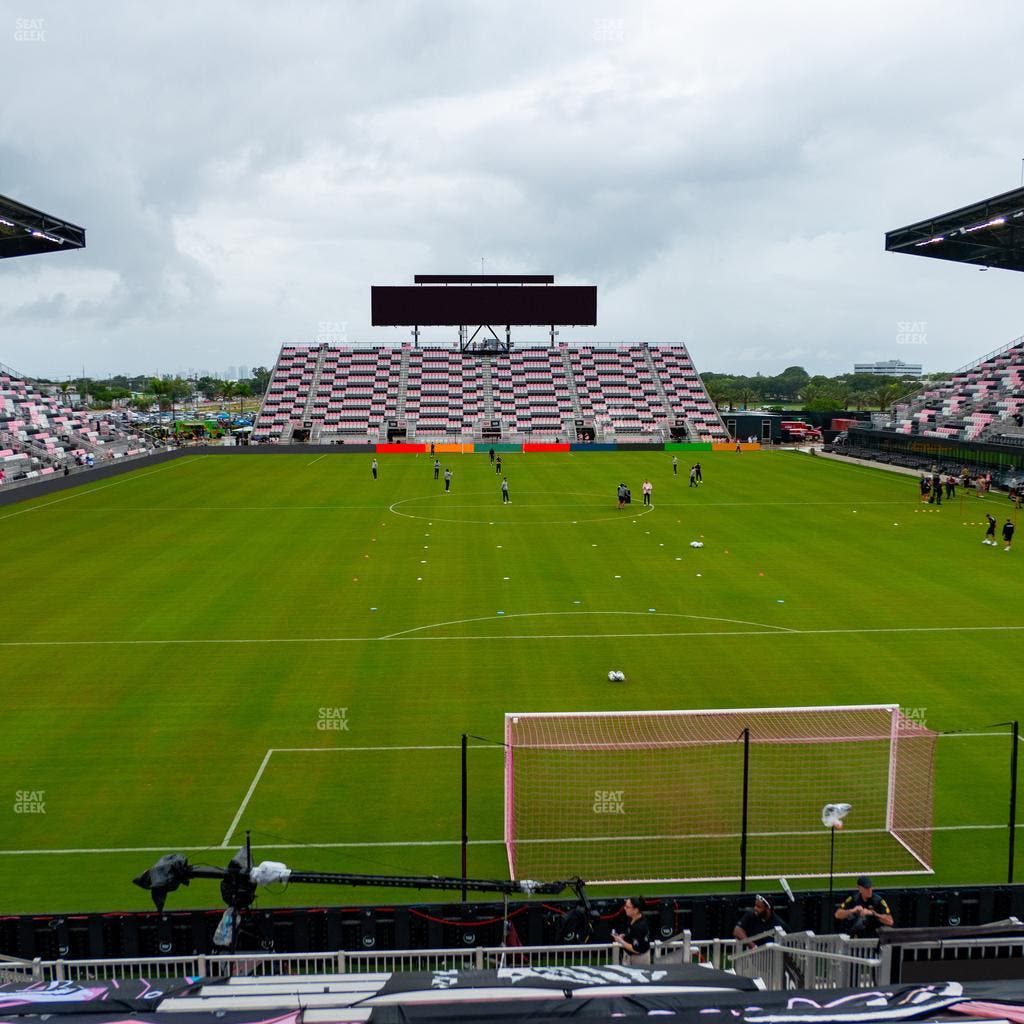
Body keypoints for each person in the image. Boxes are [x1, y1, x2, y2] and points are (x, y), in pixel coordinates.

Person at [611, 897, 651, 965]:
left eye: (627, 907)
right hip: (630, 955)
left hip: (638, 959)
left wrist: (620, 941)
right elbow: (632, 934)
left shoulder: (639, 927)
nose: (625, 908)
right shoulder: (634, 918)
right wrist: (625, 936)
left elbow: (636, 950)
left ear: (636, 910)